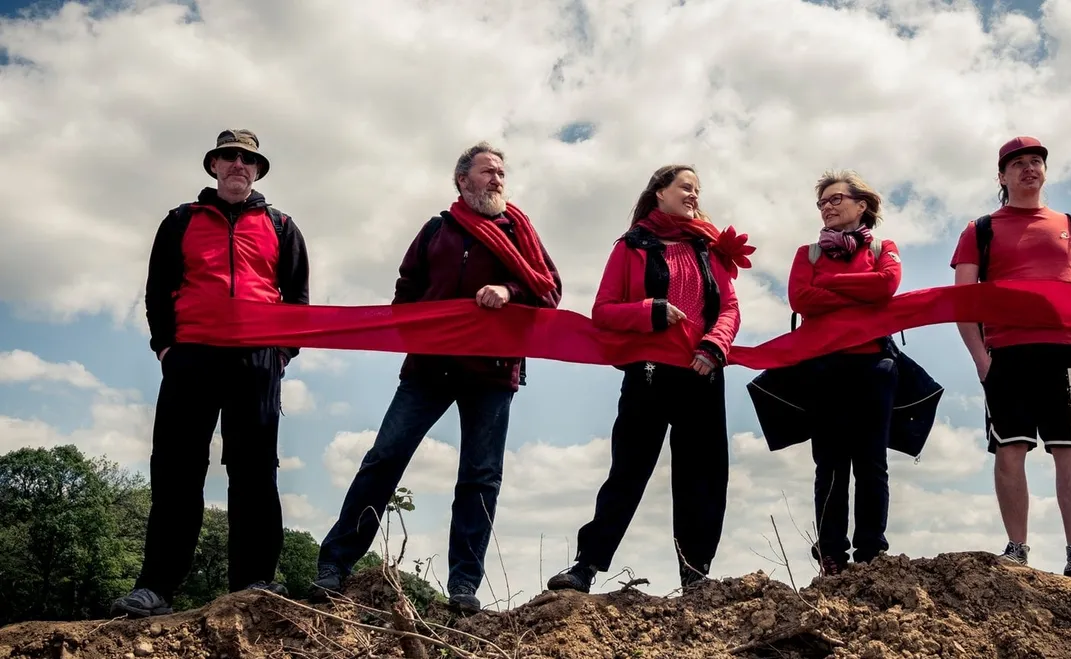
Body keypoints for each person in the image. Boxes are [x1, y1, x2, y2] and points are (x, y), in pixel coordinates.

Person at [310, 142, 562, 613]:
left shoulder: (520, 232)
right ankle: (334, 566)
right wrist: (421, 325)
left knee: (480, 476)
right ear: (462, 180)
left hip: (492, 371)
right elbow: (406, 292)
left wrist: (508, 291)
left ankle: (464, 586)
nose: (497, 180)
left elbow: (549, 290)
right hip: (429, 368)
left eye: (502, 173)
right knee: (383, 459)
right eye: (488, 172)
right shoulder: (436, 231)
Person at [112, 129, 310, 617]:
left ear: (258, 170)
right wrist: (165, 348)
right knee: (177, 469)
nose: (238, 164)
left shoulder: (283, 226)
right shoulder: (180, 220)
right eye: (229, 157)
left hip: (257, 362)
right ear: (214, 166)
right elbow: (158, 290)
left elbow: (298, 300)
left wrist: (282, 352)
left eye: (247, 159)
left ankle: (254, 583)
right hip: (191, 358)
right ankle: (156, 587)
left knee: (254, 473)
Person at [546, 164, 750, 594]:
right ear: (659, 193)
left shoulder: (710, 248)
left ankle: (695, 576)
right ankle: (586, 567)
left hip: (704, 372)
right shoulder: (631, 246)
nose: (694, 195)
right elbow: (603, 310)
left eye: (698, 188)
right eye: (685, 187)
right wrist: (649, 310)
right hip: (649, 374)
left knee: (704, 476)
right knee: (628, 471)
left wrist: (716, 344)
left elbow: (730, 307)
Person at [950, 136, 1071, 584]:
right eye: (1018, 163)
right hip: (1008, 354)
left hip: (1069, 352)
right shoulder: (979, 230)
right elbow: (961, 301)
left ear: (1045, 171)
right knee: (1011, 448)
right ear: (1002, 176)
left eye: (1036, 162)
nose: (1029, 168)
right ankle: (1017, 550)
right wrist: (981, 361)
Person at [786, 170, 901, 576]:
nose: (827, 207)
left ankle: (871, 554)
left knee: (872, 463)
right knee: (830, 464)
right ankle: (831, 554)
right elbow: (801, 297)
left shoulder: (884, 247)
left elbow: (886, 285)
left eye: (835, 199)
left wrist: (831, 291)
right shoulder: (808, 254)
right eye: (822, 203)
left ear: (862, 205)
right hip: (824, 368)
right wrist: (858, 290)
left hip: (874, 366)